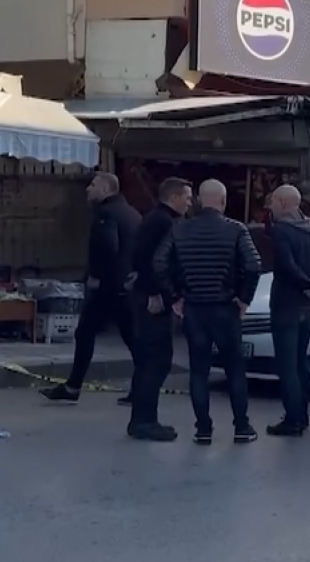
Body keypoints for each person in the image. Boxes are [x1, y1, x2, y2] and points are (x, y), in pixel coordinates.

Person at [153, 179, 261, 445]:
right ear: (223, 201)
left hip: (194, 308)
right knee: (235, 369)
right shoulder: (236, 230)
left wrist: (175, 297)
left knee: (199, 370)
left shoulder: (180, 229)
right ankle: (242, 427)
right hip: (226, 308)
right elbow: (254, 264)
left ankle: (203, 428)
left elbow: (159, 263)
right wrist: (244, 299)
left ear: (200, 200)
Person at [41, 173, 141, 404]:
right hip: (126, 286)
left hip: (108, 286)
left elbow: (108, 248)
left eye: (93, 185)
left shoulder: (106, 215)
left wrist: (95, 276)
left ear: (106, 189)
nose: (88, 189)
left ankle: (73, 387)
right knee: (132, 339)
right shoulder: (133, 214)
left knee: (85, 333)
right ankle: (141, 389)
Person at [265, 184, 310, 436]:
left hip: (286, 302)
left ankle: (293, 418)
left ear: (283, 203)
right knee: (300, 361)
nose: (270, 207)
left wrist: (306, 285)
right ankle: (302, 415)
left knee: (287, 363)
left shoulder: (281, 231)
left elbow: (286, 265)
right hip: (309, 303)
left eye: (273, 202)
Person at [125, 177, 192, 442]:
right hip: (152, 298)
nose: (190, 201)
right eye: (187, 196)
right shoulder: (162, 222)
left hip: (153, 295)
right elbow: (146, 257)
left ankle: (141, 419)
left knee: (149, 360)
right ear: (174, 197)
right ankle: (145, 421)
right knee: (157, 360)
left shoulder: (159, 220)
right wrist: (155, 292)